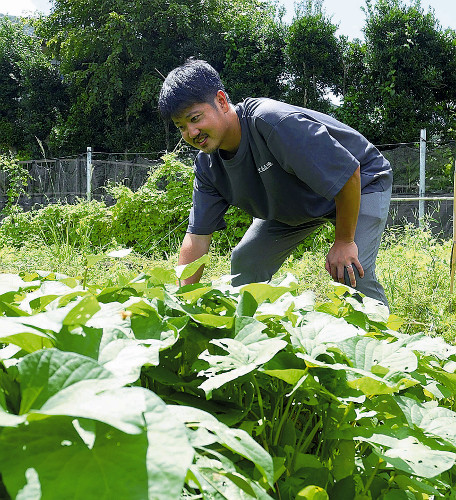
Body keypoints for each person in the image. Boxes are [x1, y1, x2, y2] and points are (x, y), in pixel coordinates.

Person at [158, 59, 393, 306]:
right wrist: (181, 303)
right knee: (246, 263)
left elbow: (348, 174)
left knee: (352, 270)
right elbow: (197, 237)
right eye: (181, 127)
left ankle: (384, 342)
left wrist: (344, 241)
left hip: (361, 182)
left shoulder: (272, 122)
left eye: (195, 118)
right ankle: (253, 335)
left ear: (221, 101)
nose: (191, 133)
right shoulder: (208, 166)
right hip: (295, 203)